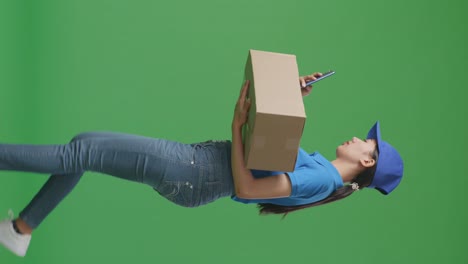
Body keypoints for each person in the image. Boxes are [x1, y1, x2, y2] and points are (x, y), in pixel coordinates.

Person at [0, 73, 404, 257]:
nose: (357, 137)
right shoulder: (319, 167)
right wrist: (288, 97)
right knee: (84, 144)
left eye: (366, 141)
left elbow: (247, 188)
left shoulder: (320, 179)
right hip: (195, 164)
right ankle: (22, 230)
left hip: (193, 173)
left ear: (367, 161)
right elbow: (265, 147)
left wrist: (236, 120)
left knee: (80, 154)